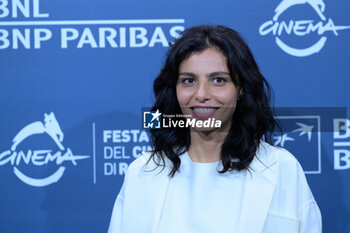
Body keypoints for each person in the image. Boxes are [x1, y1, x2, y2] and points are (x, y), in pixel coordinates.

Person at [107, 25, 322, 233]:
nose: (201, 94)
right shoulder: (143, 172)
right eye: (189, 80)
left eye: (218, 80)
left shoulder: (281, 169)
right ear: (175, 89)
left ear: (240, 90)